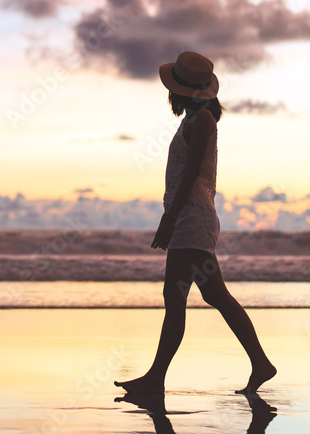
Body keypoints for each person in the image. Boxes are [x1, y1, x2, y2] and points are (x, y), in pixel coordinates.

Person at [115, 51, 276, 395]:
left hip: (191, 216)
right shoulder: (192, 119)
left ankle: (155, 380)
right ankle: (260, 363)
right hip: (191, 215)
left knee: (177, 297)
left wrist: (169, 218)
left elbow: (190, 173)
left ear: (182, 90)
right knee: (214, 295)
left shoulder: (202, 120)